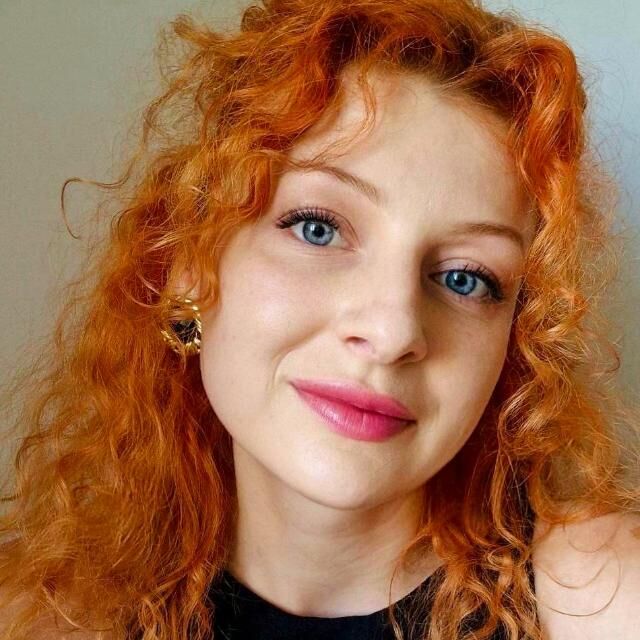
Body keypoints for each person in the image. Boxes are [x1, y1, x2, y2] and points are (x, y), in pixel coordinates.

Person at [0, 0, 639, 639]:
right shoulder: (39, 617)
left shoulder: (603, 598)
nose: (392, 333)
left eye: (464, 278)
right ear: (190, 265)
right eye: (318, 229)